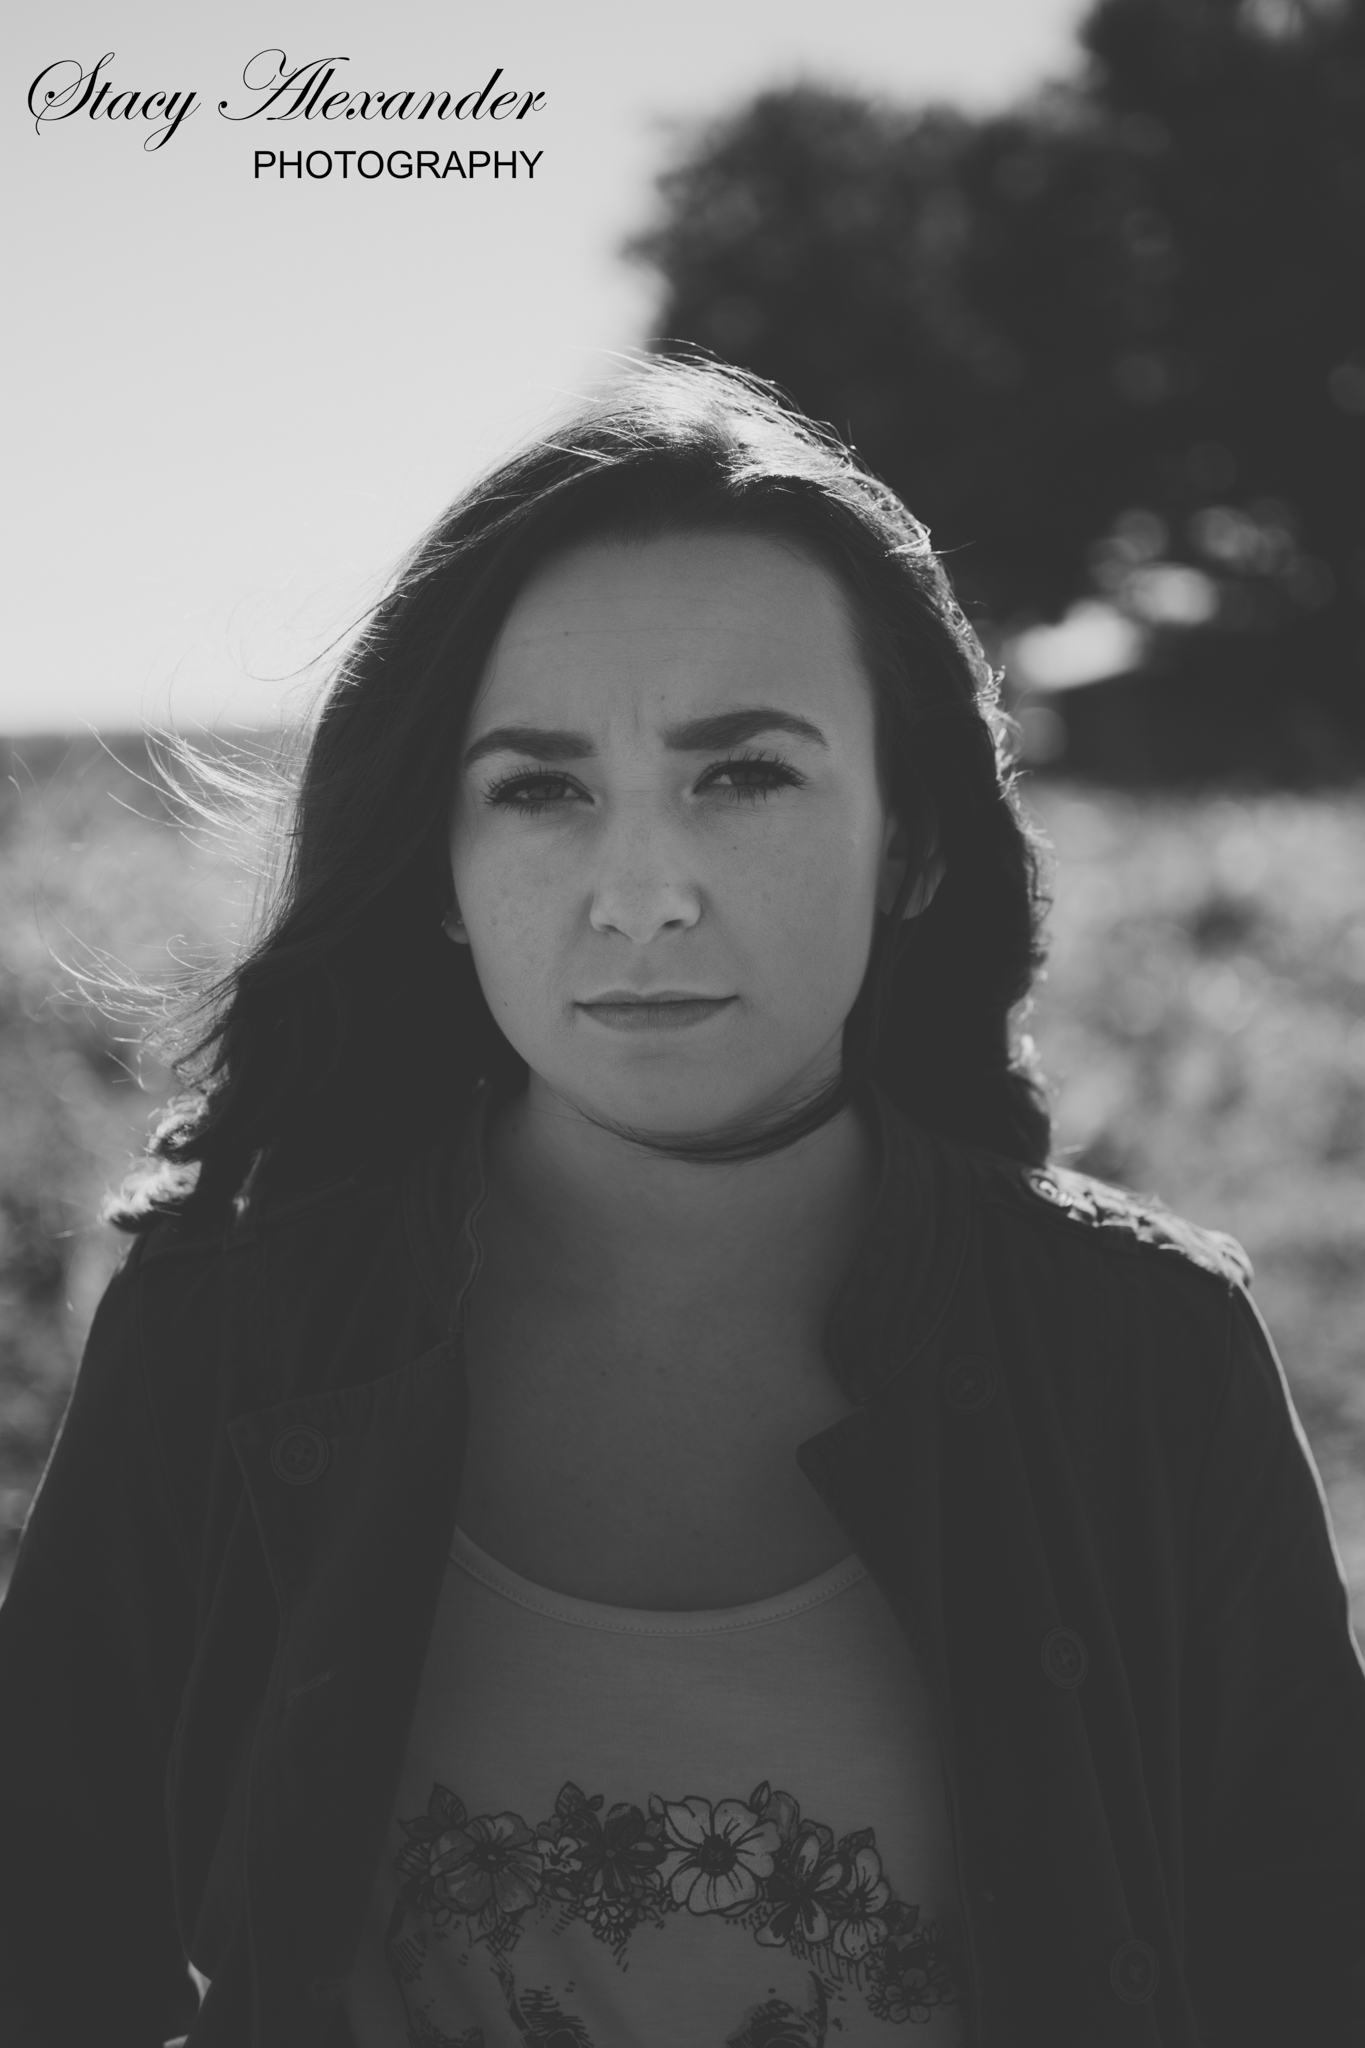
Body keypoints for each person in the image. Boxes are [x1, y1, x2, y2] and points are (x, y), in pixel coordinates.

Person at [1, 358, 1362, 2048]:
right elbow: (44, 1960)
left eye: (744, 775)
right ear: (440, 869)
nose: (640, 894)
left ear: (913, 842)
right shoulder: (223, 1326)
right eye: (540, 789)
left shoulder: (1149, 1358)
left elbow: (1306, 1977)